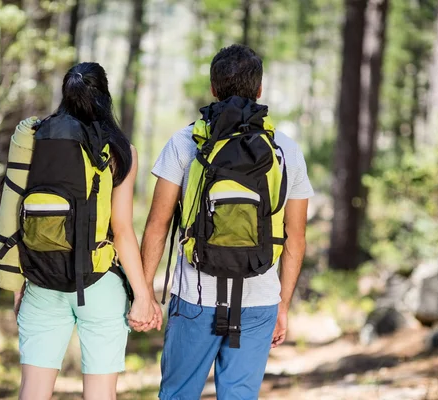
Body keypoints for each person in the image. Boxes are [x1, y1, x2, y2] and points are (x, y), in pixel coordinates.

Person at [137, 45, 314, 399]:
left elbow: (157, 225)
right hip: (260, 299)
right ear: (260, 89)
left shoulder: (186, 142)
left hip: (193, 297)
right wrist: (283, 305)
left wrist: (145, 295)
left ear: (213, 89)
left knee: (177, 394)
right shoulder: (286, 150)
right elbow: (295, 239)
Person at [13, 62, 161, 400]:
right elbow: (122, 230)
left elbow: (17, 216)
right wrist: (142, 296)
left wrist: (16, 286)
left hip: (41, 278)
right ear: (105, 97)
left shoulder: (37, 139)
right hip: (99, 281)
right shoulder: (120, 149)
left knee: (32, 394)